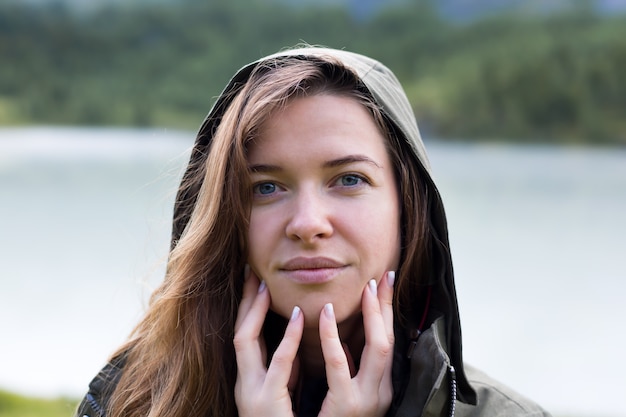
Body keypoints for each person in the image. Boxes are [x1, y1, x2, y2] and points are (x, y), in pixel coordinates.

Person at [75, 46, 551, 417]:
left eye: (348, 180)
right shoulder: (131, 403)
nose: (307, 224)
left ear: (409, 208)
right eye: (266, 187)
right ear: (227, 219)